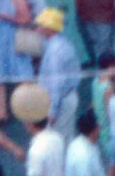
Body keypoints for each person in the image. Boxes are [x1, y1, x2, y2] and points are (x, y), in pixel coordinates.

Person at [35, 9, 82, 138]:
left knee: (57, 139)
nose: (38, 27)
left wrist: (52, 111)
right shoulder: (64, 43)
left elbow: (56, 84)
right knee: (67, 137)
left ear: (50, 28)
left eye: (41, 24)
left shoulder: (54, 51)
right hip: (67, 97)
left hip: (60, 102)